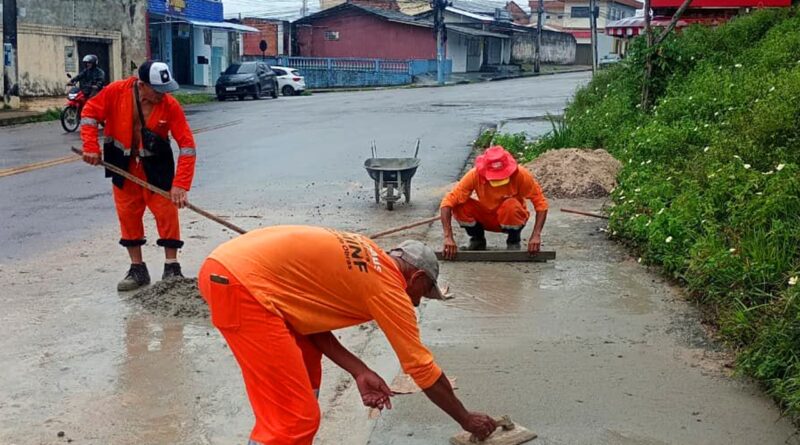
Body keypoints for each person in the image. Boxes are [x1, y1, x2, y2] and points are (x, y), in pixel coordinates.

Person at [198, 225, 497, 445]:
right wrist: (465, 418)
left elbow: (308, 321)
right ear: (416, 277)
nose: (417, 303)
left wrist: (359, 370)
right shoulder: (389, 288)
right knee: (295, 418)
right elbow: (421, 367)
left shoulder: (369, 253)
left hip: (232, 269)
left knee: (306, 376)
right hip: (241, 286)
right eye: (423, 294)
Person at [80, 60, 197, 291]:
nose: (163, 95)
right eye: (158, 90)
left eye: (166, 90)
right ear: (142, 85)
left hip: (157, 166)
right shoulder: (115, 92)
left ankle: (171, 267)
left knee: (167, 213)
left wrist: (180, 185)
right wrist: (90, 146)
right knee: (128, 214)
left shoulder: (170, 105)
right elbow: (89, 113)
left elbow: (187, 146)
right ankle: (137, 269)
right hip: (122, 165)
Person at [440, 145, 548, 259]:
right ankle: (477, 240)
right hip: (486, 217)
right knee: (460, 206)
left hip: (510, 217)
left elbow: (541, 203)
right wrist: (448, 237)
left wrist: (536, 235)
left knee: (511, 205)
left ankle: (513, 241)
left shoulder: (521, 175)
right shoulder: (474, 175)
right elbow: (447, 203)